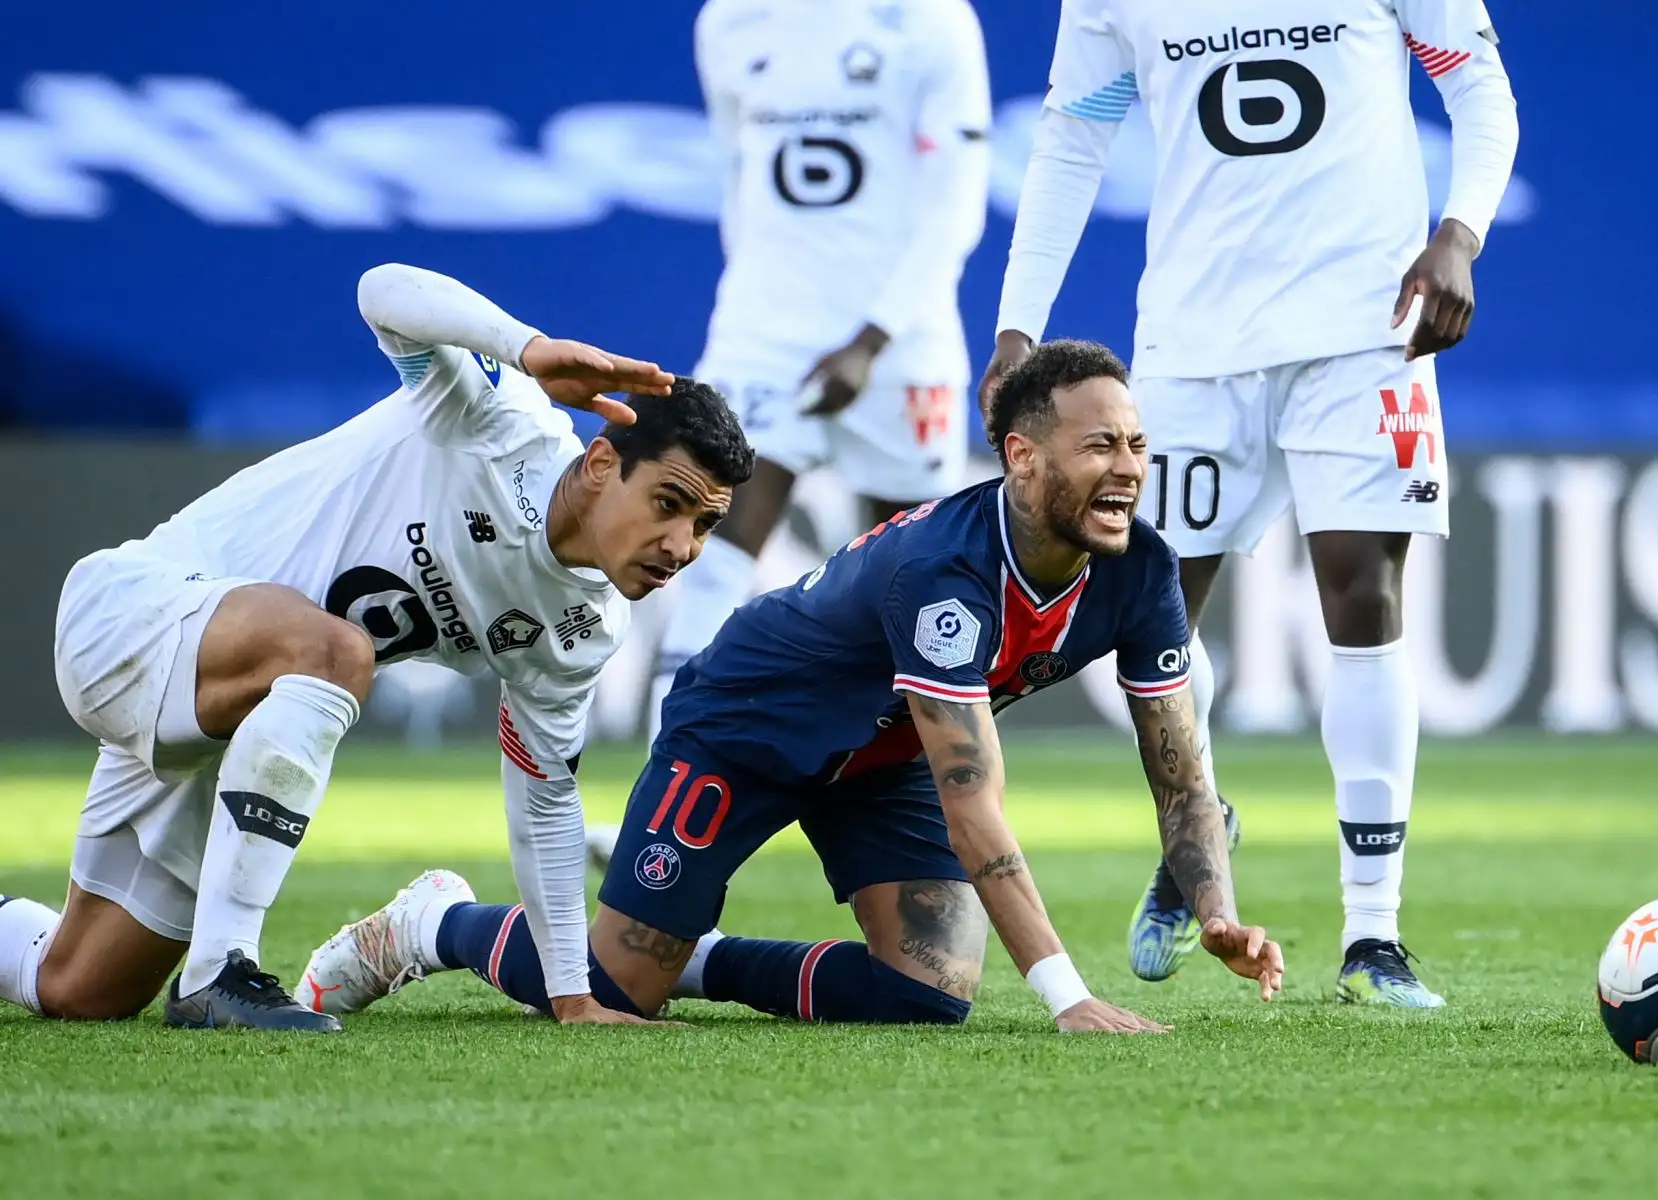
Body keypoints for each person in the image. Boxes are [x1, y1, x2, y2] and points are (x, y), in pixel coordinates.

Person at [298, 340, 1283, 1033]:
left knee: (928, 991)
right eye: (1099, 447)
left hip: (878, 751)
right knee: (612, 986)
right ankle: (431, 923)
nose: (1127, 471)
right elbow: (972, 801)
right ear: (1023, 460)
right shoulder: (946, 572)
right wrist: (1068, 993)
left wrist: (1216, 914)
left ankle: (695, 954)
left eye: (1138, 446)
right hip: (747, 726)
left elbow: (1184, 775)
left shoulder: (1141, 568)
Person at [0, 264, 752, 1032]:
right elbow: (383, 290)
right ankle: (220, 971)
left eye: (704, 525)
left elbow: (544, 798)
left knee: (82, 987)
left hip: (220, 714)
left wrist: (572, 996)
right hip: (137, 614)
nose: (681, 545)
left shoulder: (584, 627)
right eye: (669, 504)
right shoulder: (500, 419)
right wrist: (525, 348)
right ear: (601, 466)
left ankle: (154, 966)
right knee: (338, 653)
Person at [980, 0, 1519, 1006]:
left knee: (1362, 597)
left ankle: (1374, 934)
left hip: (1365, 330)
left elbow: (1478, 85)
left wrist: (1459, 235)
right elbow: (1071, 137)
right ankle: (1201, 825)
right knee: (1146, 619)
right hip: (1194, 340)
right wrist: (1020, 327)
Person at [643, 0, 994, 742]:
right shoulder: (730, 22)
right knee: (704, 548)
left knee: (919, 591)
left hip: (901, 338)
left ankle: (914, 809)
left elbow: (957, 202)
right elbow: (741, 182)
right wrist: (756, 302)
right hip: (762, 333)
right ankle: (660, 793)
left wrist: (871, 339)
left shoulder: (931, 20)